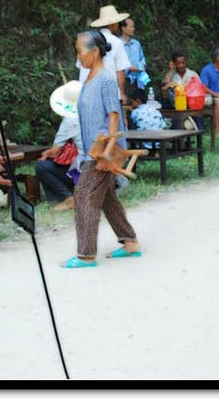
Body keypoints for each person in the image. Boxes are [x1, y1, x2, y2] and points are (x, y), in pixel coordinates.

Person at [63, 30, 140, 268]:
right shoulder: (88, 79)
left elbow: (113, 116)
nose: (78, 58)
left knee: (84, 196)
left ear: (95, 52)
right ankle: (130, 243)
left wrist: (107, 152)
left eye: (80, 52)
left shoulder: (106, 79)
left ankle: (86, 254)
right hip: (91, 151)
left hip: (100, 152)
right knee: (106, 198)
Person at [78, 5, 131, 103]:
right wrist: (121, 92)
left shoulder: (86, 40)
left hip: (85, 92)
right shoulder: (116, 42)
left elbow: (81, 66)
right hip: (108, 94)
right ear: (113, 24)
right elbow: (120, 71)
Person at [36, 114, 84, 212]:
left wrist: (47, 153)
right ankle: (60, 198)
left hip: (81, 171)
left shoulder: (70, 120)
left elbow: (54, 153)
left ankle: (67, 199)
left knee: (41, 166)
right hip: (98, 164)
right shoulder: (95, 116)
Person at [120, 17, 148, 97]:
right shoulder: (118, 44)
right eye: (131, 26)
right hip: (124, 80)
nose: (133, 29)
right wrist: (129, 68)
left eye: (133, 27)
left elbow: (142, 58)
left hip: (138, 80)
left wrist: (142, 65)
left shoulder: (136, 44)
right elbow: (116, 63)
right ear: (123, 28)